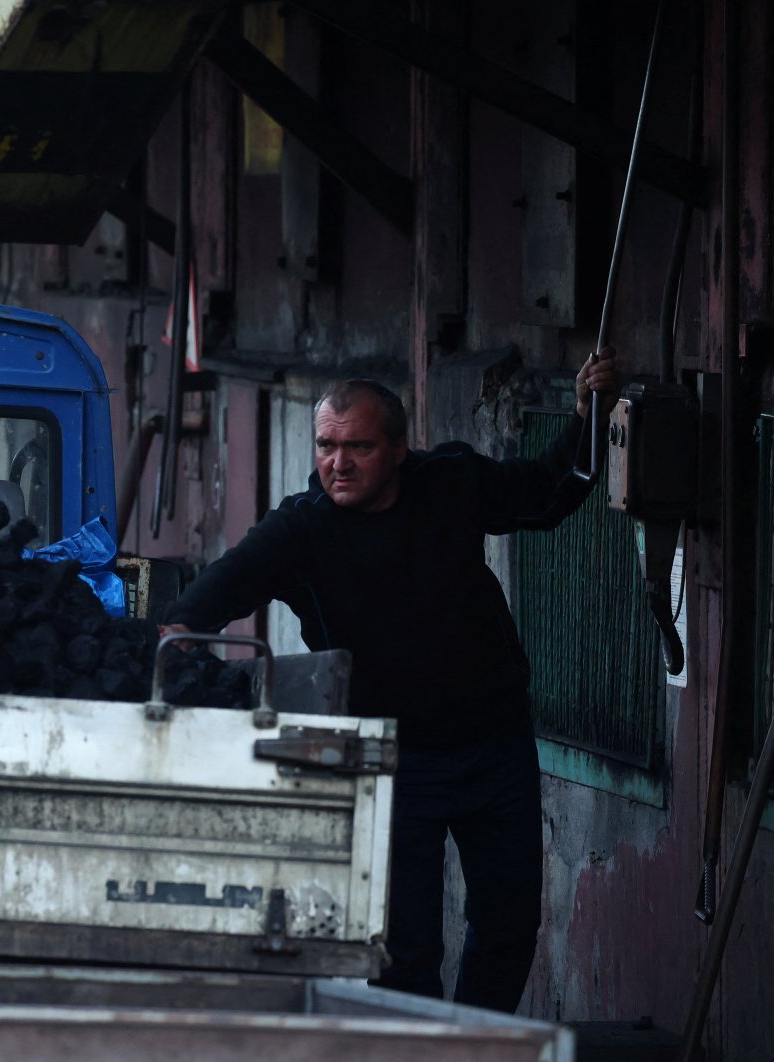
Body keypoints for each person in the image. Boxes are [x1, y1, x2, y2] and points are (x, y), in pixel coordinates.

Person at [160, 349, 620, 1013]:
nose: (337, 464)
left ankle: (473, 1050)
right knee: (402, 950)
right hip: (389, 759)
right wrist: (170, 638)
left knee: (509, 923)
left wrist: (585, 416)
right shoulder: (300, 529)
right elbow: (214, 592)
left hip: (493, 745)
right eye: (325, 446)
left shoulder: (450, 484)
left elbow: (544, 493)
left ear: (399, 449)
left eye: (358, 447)